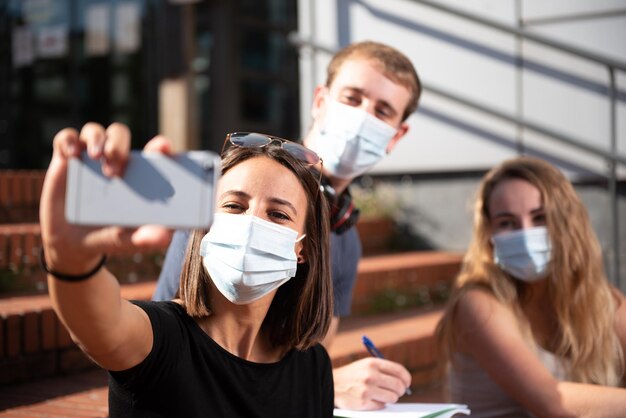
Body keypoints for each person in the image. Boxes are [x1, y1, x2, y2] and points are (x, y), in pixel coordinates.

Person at [153, 40, 422, 410]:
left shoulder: (347, 237)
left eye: (383, 110)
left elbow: (310, 351)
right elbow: (168, 337)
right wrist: (327, 385)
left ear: (397, 135)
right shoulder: (233, 196)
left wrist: (319, 384)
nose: (363, 117)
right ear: (320, 101)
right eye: (353, 97)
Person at [40, 125, 334, 417]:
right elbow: (97, 325)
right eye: (234, 205)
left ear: (302, 249)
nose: (252, 223)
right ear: (205, 224)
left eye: (278, 214)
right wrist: (69, 257)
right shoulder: (160, 340)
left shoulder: (312, 366)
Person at [436, 156, 626, 417]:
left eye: (540, 218)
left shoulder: (603, 301)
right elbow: (551, 402)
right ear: (489, 235)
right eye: (506, 223)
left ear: (568, 223)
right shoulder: (478, 303)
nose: (525, 234)